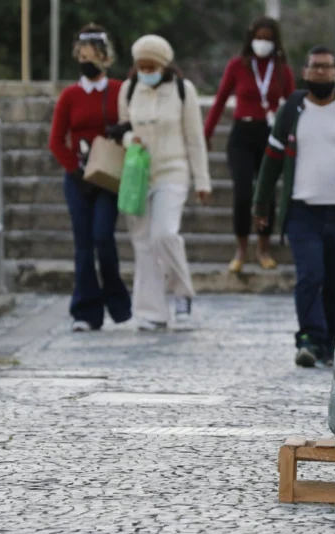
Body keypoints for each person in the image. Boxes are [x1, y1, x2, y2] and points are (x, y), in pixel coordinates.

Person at [253, 46, 335, 368]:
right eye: (316, 67)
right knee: (310, 274)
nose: (322, 72)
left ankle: (328, 339)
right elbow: (271, 162)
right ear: (305, 72)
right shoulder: (292, 111)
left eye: (327, 67)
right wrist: (261, 203)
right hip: (302, 209)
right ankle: (309, 338)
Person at [114, 35, 211, 331]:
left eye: (151, 65)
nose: (145, 70)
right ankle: (151, 310)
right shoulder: (130, 89)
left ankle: (183, 296)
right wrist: (132, 139)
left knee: (164, 235)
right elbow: (123, 130)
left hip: (173, 171)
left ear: (163, 65)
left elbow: (195, 138)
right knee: (142, 243)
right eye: (140, 65)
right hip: (138, 174)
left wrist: (202, 179)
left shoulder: (183, 90)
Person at [48, 24, 131, 332]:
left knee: (103, 238)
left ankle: (118, 302)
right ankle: (86, 311)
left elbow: (129, 124)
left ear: (104, 58)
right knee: (83, 245)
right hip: (78, 177)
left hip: (107, 175)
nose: (86, 61)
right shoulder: (70, 95)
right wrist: (75, 170)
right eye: (81, 56)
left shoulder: (119, 90)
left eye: (91, 56)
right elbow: (56, 140)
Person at [204, 17, 296, 274]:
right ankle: (241, 248)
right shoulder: (237, 66)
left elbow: (293, 105)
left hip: (271, 135)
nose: (262, 43)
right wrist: (206, 132)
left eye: (268, 38)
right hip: (242, 135)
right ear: (250, 39)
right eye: (259, 37)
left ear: (275, 41)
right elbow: (220, 99)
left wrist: (297, 135)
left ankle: (264, 248)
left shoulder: (281, 69)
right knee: (243, 193)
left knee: (266, 194)